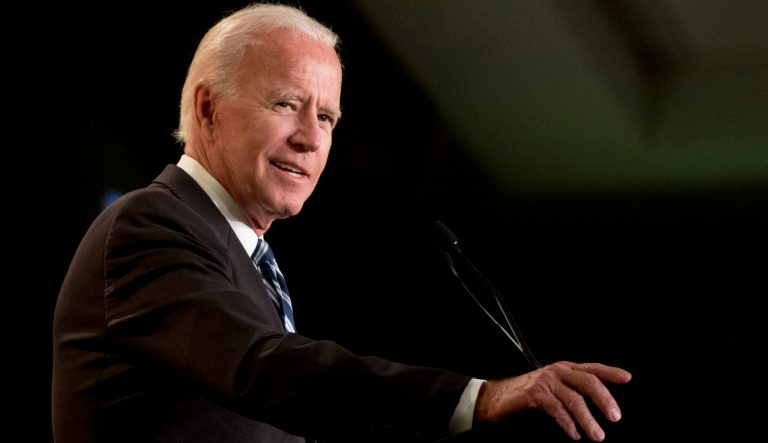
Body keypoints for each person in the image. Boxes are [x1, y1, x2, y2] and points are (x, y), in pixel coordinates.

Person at [51, 3, 631, 442]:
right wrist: (477, 399)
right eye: (285, 104)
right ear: (208, 107)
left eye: (326, 116)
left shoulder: (245, 260)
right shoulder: (149, 227)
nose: (310, 139)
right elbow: (264, 368)